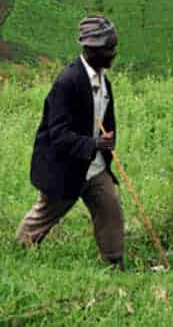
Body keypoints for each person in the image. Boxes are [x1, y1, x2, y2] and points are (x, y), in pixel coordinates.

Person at [16, 15, 125, 266]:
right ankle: (17, 252)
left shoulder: (102, 79)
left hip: (94, 167)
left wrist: (105, 142)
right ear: (92, 49)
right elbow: (58, 134)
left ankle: (115, 263)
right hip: (66, 169)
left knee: (110, 208)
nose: (114, 54)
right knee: (43, 216)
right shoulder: (67, 82)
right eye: (110, 49)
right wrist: (94, 144)